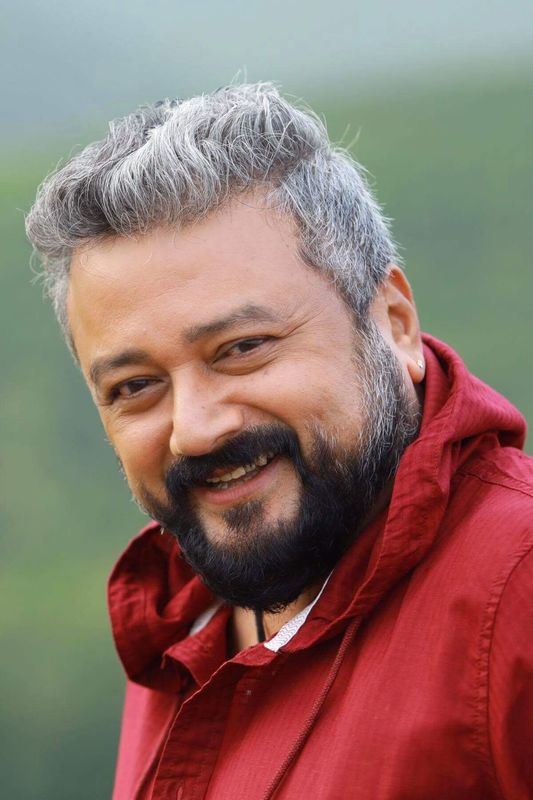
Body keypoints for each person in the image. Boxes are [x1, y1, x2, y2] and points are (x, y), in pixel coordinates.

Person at [26, 83, 532, 800]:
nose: (196, 429)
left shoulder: (515, 601)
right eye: (136, 385)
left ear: (392, 322)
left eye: (242, 348)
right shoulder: (182, 620)